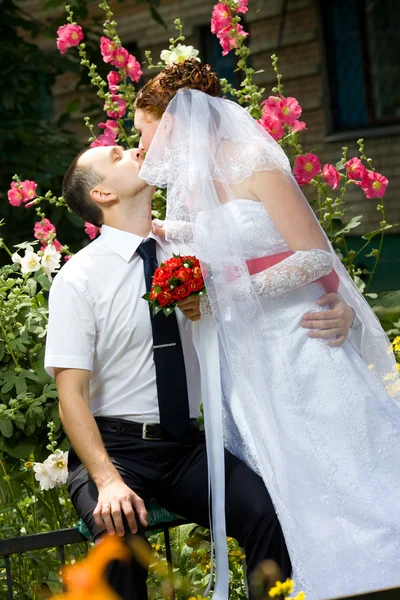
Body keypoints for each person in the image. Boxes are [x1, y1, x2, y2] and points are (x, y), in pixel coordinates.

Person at [135, 59, 400, 599]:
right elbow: (218, 236)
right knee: (294, 481)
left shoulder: (254, 160)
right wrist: (164, 227)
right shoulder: (193, 182)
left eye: (148, 135)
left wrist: (229, 292)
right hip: (249, 357)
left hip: (300, 339)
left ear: (179, 123)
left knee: (348, 466)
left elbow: (311, 254)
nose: (148, 152)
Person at [44, 143, 355, 600]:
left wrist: (341, 307)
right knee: (118, 548)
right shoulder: (78, 278)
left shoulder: (193, 246)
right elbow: (70, 394)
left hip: (185, 445)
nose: (132, 148)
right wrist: (107, 480)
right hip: (116, 451)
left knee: (268, 514)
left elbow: (289, 261)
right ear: (104, 194)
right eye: (116, 155)